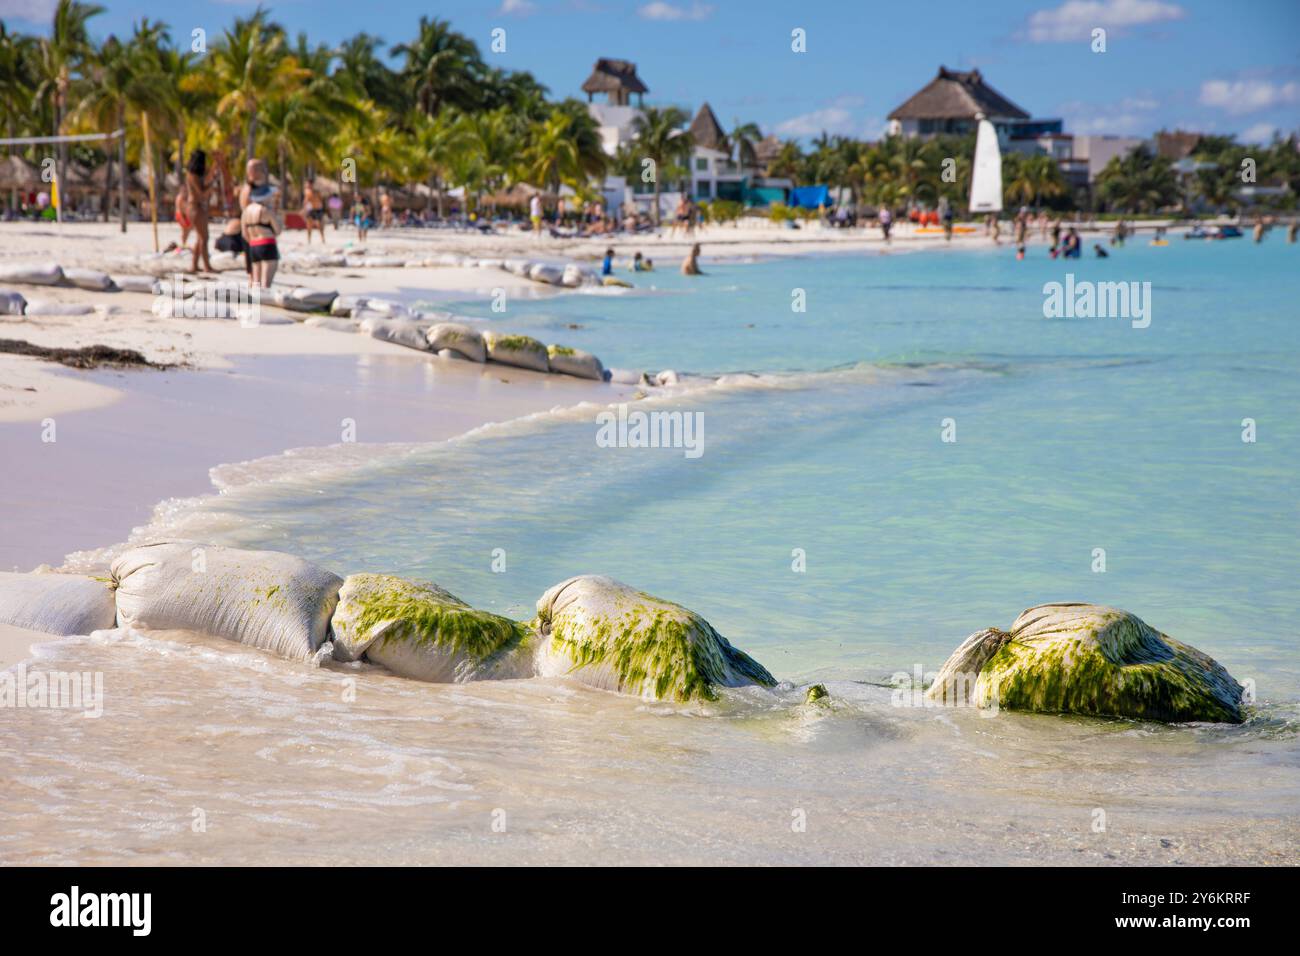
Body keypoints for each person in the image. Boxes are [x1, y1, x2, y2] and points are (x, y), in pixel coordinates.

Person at [241, 191, 280, 289]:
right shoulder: (266, 211)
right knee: (266, 284)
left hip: (253, 246)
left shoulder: (246, 211)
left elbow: (245, 234)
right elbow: (278, 231)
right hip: (267, 244)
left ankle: (255, 301)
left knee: (256, 282)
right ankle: (263, 301)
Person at [185, 150, 213, 274]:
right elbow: (201, 194)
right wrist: (211, 186)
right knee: (204, 238)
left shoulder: (192, 175)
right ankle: (207, 266)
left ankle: (194, 265)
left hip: (196, 207)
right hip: (195, 207)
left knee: (200, 238)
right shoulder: (193, 176)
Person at [174, 183, 192, 248]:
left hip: (185, 215)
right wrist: (182, 219)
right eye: (184, 190)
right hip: (180, 215)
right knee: (185, 230)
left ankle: (184, 243)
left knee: (188, 229)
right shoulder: (180, 198)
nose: (185, 191)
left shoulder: (187, 197)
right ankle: (183, 243)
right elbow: (179, 209)